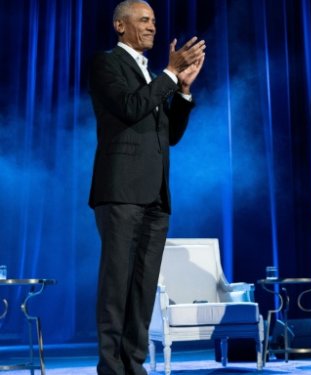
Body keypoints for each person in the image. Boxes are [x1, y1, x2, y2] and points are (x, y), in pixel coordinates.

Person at [88, 1, 205, 374]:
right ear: (120, 26)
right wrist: (171, 74)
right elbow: (129, 107)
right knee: (116, 285)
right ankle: (111, 367)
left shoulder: (153, 74)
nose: (152, 26)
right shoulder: (106, 63)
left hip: (156, 195)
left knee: (142, 289)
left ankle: (133, 366)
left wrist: (183, 91)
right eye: (143, 20)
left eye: (154, 20)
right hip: (120, 191)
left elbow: (169, 135)